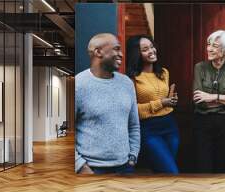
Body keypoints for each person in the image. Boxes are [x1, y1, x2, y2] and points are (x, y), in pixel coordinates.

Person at [75, 33, 140, 174]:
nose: (121, 54)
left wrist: (133, 156)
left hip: (125, 167)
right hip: (92, 169)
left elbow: (134, 125)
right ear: (98, 52)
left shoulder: (127, 83)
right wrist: (81, 166)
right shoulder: (78, 85)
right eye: (116, 49)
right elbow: (68, 133)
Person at [193, 30, 225, 173]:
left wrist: (212, 97)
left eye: (215, 46)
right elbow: (200, 101)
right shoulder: (200, 67)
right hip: (203, 121)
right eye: (208, 44)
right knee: (203, 166)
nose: (209, 49)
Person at [126, 35, 180, 174]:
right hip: (148, 129)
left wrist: (171, 100)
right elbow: (133, 110)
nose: (151, 50)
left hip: (169, 125)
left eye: (152, 47)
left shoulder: (164, 72)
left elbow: (165, 101)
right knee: (171, 171)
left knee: (161, 172)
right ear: (137, 53)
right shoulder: (132, 78)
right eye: (145, 49)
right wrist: (161, 103)